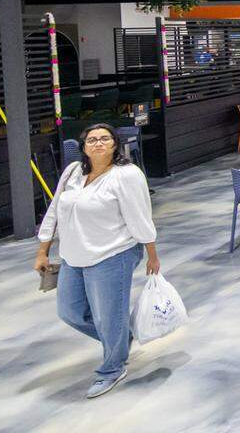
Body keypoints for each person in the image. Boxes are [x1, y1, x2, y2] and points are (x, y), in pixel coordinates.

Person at [35, 123, 160, 399]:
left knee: (108, 315)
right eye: (92, 139)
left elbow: (140, 215)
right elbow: (55, 210)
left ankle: (112, 368)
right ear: (84, 146)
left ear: (115, 144)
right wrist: (43, 250)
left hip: (112, 254)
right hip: (73, 255)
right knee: (70, 311)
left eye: (105, 138)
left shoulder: (126, 175)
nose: (98, 143)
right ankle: (120, 338)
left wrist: (152, 253)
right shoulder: (73, 172)